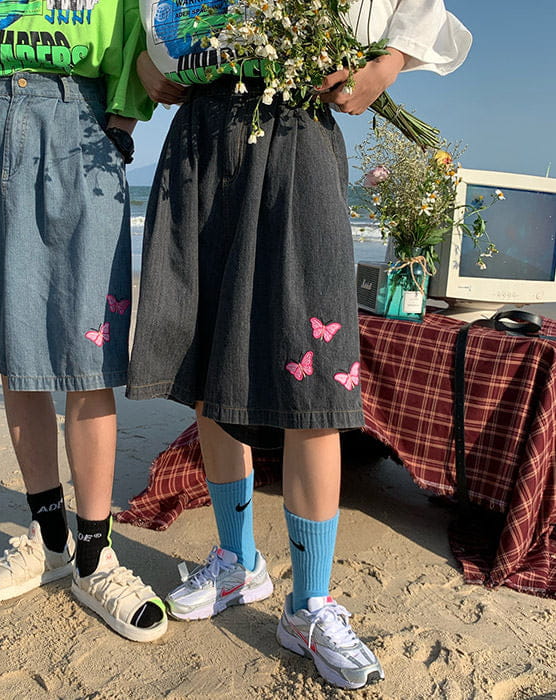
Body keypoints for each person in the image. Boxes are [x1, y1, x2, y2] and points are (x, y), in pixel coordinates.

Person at [127, 0, 471, 684]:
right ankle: (237, 562)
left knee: (313, 373)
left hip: (294, 130)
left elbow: (417, 11)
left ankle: (309, 604)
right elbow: (140, 21)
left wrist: (387, 63)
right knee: (208, 364)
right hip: (199, 136)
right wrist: (142, 59)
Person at [0, 0, 167, 643]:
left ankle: (95, 554)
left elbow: (131, 42)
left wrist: (117, 131)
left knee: (85, 351)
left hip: (79, 124)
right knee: (14, 348)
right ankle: (49, 539)